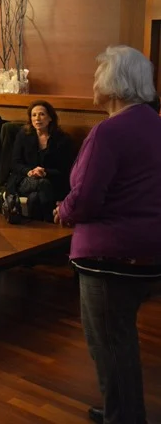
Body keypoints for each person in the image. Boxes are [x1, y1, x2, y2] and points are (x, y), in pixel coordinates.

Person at [54, 46, 161, 424]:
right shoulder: (155, 124)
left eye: (98, 76)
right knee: (122, 339)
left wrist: (62, 211)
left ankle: (125, 417)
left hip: (109, 258)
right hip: (149, 254)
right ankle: (122, 408)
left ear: (114, 84)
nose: (94, 83)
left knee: (111, 346)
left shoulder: (108, 133)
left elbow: (84, 200)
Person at [6, 100, 75, 222]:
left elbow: (66, 169)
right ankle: (50, 223)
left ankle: (37, 230)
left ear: (50, 118)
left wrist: (45, 172)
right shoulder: (23, 135)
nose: (37, 118)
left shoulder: (62, 140)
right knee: (42, 184)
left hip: (52, 180)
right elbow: (15, 163)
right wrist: (30, 172)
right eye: (34, 115)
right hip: (25, 179)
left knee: (35, 197)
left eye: (42, 114)